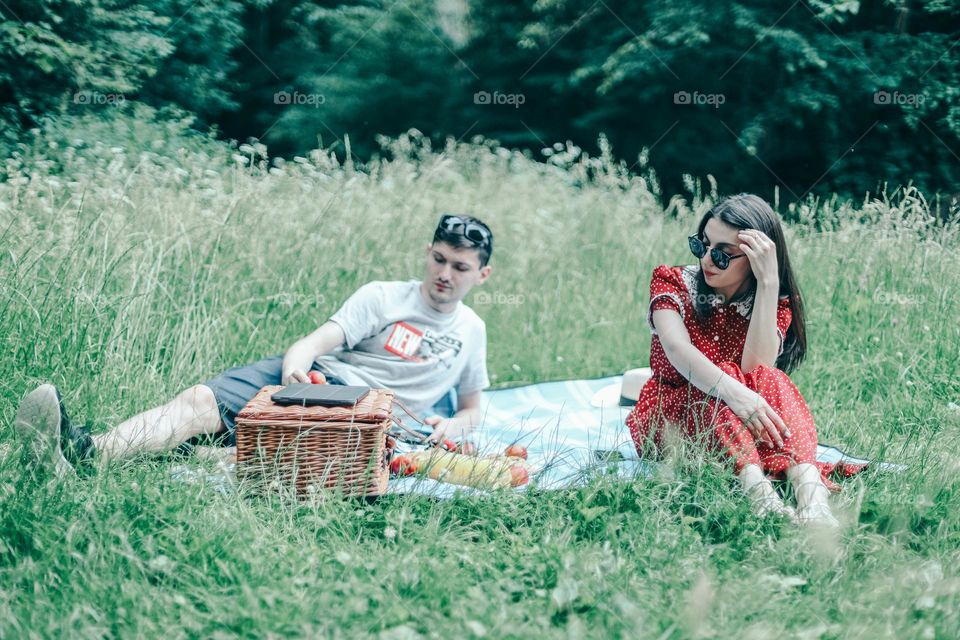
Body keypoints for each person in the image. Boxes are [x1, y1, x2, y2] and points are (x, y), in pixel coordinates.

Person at [14, 214, 494, 476]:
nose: (444, 274)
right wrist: (292, 376)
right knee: (198, 402)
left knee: (236, 451)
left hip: (368, 417)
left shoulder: (472, 330)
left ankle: (63, 453)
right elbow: (309, 345)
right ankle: (86, 453)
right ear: (427, 253)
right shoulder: (383, 296)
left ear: (482, 275)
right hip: (319, 381)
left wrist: (454, 423)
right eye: (438, 259)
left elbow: (473, 407)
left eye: (460, 267)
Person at [626, 194, 841, 527]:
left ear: (755, 260)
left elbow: (758, 369)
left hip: (740, 418)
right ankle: (760, 496)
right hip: (673, 415)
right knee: (721, 381)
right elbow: (677, 348)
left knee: (773, 379)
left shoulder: (772, 299)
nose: (706, 260)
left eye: (722, 254)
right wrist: (734, 392)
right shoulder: (672, 282)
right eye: (702, 245)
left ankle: (813, 498)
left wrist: (768, 283)